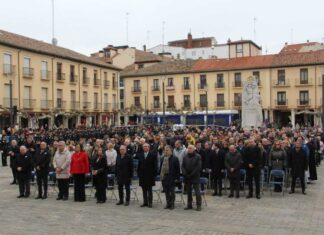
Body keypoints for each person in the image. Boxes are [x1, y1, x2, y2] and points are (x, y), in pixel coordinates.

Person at [182, 145, 202, 211]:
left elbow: (198, 167)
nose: (189, 149)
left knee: (197, 192)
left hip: (195, 176)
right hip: (187, 177)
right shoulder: (185, 157)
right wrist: (185, 174)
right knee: (189, 192)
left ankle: (198, 205)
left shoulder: (198, 156)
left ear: (194, 149)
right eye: (188, 148)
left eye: (190, 148)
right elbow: (183, 166)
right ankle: (189, 205)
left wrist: (191, 174)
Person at [137, 143, 157, 208]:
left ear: (149, 147)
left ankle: (150, 202)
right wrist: (138, 173)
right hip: (142, 175)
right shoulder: (140, 155)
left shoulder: (152, 155)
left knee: (149, 190)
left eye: (146, 147)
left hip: (150, 175)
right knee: (144, 190)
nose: (145, 148)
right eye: (144, 147)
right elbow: (139, 165)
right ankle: (145, 202)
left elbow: (155, 165)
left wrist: (154, 174)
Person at [160, 145, 180, 210]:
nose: (165, 151)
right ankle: (168, 203)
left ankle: (172, 204)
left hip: (172, 177)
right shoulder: (162, 158)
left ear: (171, 150)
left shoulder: (175, 158)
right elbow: (161, 168)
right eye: (165, 150)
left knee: (172, 192)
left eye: (167, 150)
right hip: (164, 177)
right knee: (166, 192)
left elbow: (178, 169)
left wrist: (177, 178)